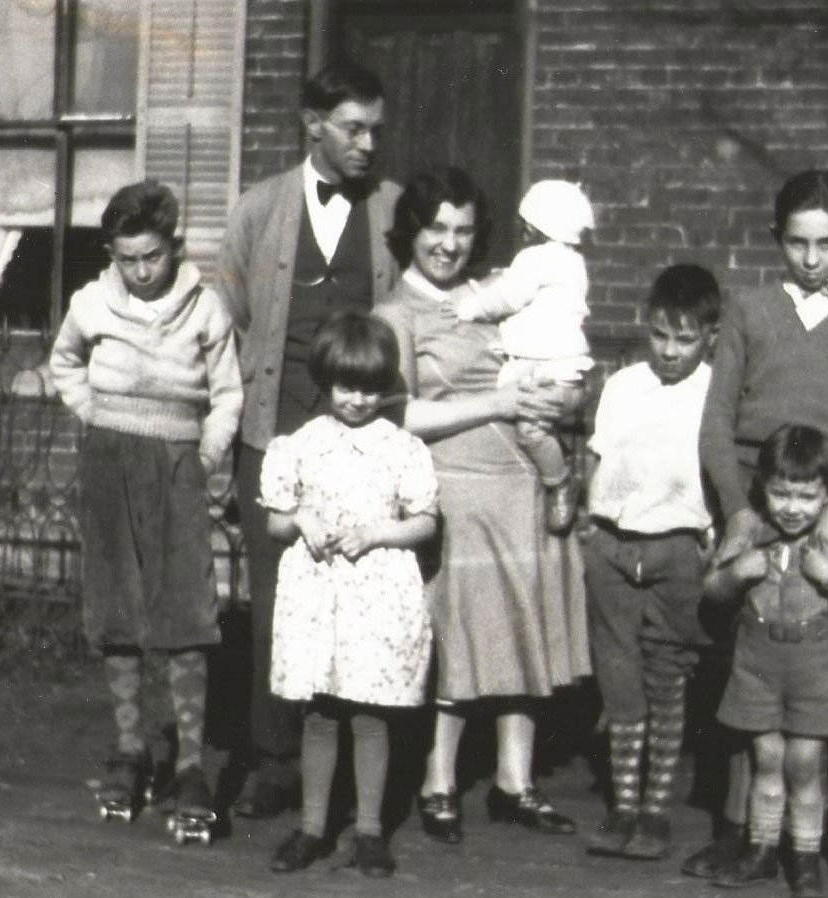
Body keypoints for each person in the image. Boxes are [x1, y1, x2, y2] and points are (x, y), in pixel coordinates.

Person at [688, 169, 828, 897]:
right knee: (753, 668)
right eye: (798, 243)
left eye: (827, 244)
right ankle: (747, 828)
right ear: (778, 238)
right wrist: (738, 509)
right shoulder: (748, 310)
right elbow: (716, 420)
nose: (811, 259)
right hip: (760, 500)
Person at [374, 166, 592, 845]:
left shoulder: (498, 294)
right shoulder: (395, 313)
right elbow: (400, 414)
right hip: (457, 488)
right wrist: (499, 402)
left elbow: (555, 364)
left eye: (463, 230)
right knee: (461, 638)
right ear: (411, 229)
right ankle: (438, 782)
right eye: (436, 227)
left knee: (521, 631)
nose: (449, 244)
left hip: (524, 481)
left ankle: (514, 782)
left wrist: (566, 399)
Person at [216, 62, 402, 819]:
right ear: (312, 123)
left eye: (375, 131)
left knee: (362, 596)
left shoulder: (394, 209)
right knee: (275, 604)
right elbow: (229, 321)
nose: (366, 144)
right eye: (352, 128)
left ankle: (364, 775)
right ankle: (274, 759)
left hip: (361, 439)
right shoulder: (258, 210)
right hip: (274, 430)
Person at [48, 179, 242, 825]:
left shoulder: (205, 307)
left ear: (174, 248)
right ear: (112, 254)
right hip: (109, 462)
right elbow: (65, 362)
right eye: (127, 258)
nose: (140, 270)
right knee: (116, 608)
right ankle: (130, 751)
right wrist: (93, 416)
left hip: (178, 463)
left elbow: (229, 394)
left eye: (152, 256)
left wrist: (207, 456)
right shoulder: (91, 303)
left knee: (186, 609)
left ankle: (189, 765)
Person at [258, 311, 438, 878]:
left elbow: (425, 522)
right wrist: (302, 519)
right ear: (325, 381)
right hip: (318, 598)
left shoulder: (402, 448)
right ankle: (312, 826)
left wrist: (377, 532)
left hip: (376, 598)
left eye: (369, 387)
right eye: (345, 386)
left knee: (369, 713)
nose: (357, 399)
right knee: (320, 712)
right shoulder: (302, 444)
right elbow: (275, 522)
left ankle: (368, 831)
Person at [580, 264, 721, 861]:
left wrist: (715, 529)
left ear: (710, 336)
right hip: (613, 545)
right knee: (619, 673)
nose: (670, 351)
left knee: (666, 675)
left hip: (677, 548)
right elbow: (599, 456)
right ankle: (623, 807)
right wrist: (590, 520)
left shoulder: (715, 391)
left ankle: (656, 811)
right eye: (661, 335)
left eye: (685, 339)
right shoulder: (623, 386)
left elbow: (719, 471)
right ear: (648, 326)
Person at [706, 425, 828, 897]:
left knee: (804, 761)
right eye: (781, 493)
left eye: (806, 496)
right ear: (762, 487)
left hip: (814, 665)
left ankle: (805, 860)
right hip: (759, 663)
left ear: (827, 496)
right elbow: (713, 594)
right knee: (766, 757)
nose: (791, 507)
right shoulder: (749, 531)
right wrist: (734, 575)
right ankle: (761, 852)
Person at [453, 179, 596, 533]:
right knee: (537, 423)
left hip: (545, 372)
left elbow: (506, 298)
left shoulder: (535, 259)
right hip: (566, 374)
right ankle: (556, 459)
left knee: (531, 430)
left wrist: (468, 309)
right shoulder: (573, 262)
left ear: (531, 228)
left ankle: (560, 483)